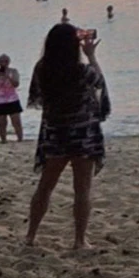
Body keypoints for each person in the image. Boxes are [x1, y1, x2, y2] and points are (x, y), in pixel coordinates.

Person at [26, 23, 110, 249]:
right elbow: (100, 83)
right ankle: (79, 240)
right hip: (83, 135)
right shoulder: (82, 70)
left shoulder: (42, 68)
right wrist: (91, 55)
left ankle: (31, 235)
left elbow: (38, 97)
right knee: (82, 190)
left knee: (45, 187)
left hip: (55, 133)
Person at [0, 54, 24, 143]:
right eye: (1, 61)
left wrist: (8, 76)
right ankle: (3, 140)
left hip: (12, 99)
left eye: (5, 61)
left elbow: (16, 84)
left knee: (16, 122)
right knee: (2, 123)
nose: (3, 63)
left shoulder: (13, 71)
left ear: (8, 62)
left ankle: (20, 139)